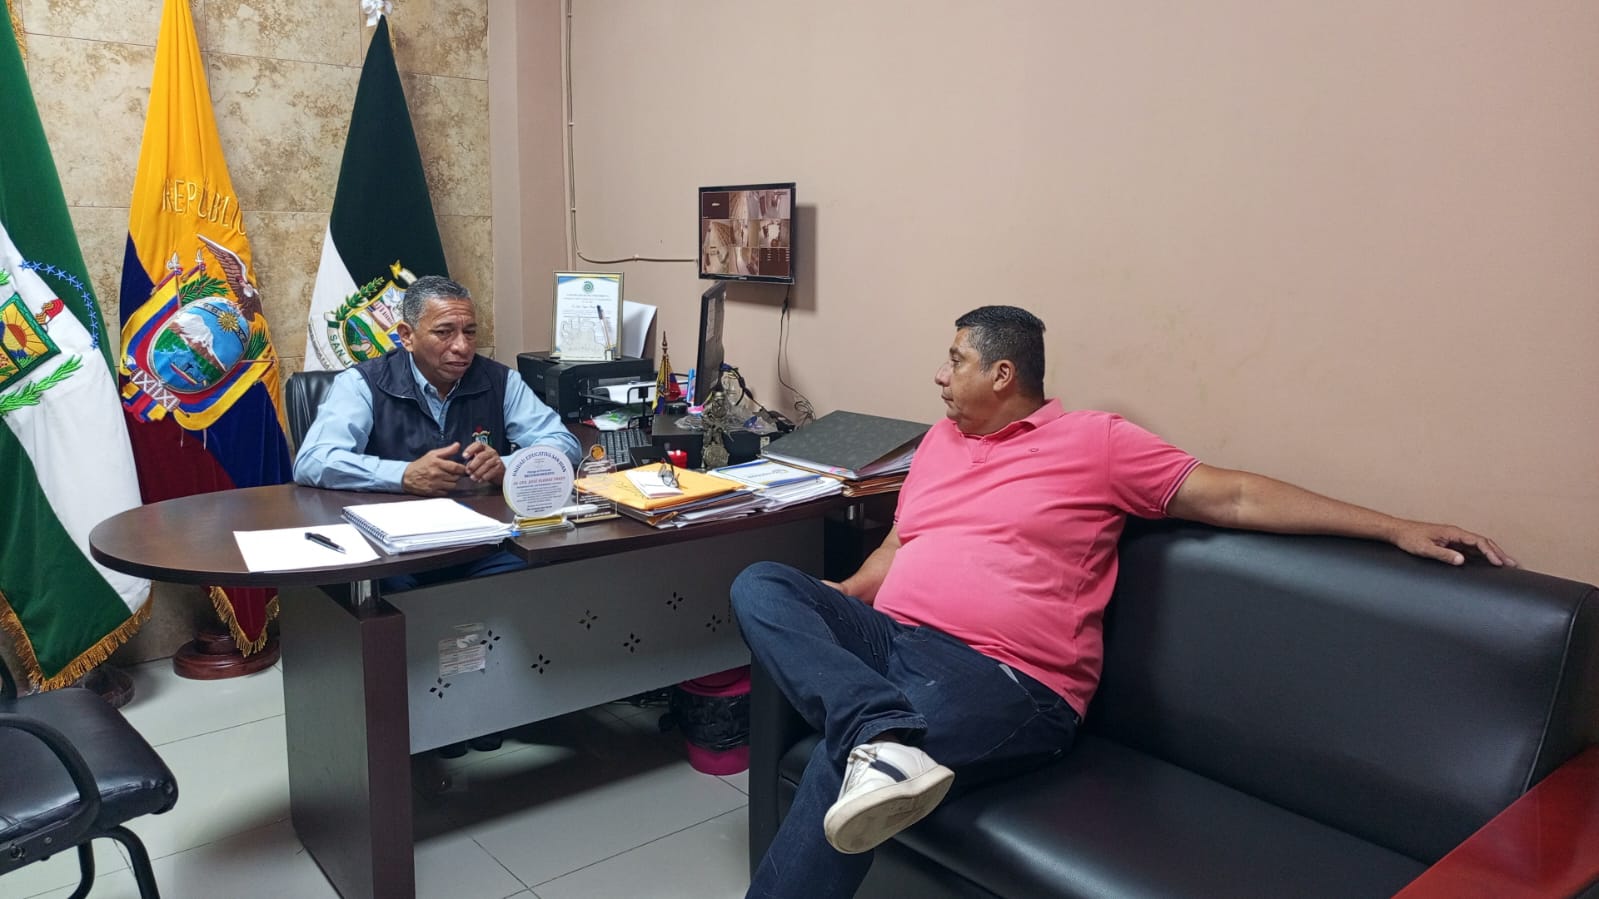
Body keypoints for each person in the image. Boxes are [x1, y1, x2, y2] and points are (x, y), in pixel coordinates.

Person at [731, 305, 1514, 899]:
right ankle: (874, 721)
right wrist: (843, 599)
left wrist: (1392, 526)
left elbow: (1234, 495)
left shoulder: (1096, 443)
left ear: (1002, 374)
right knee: (761, 583)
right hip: (895, 641)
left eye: (955, 359)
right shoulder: (939, 443)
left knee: (847, 759)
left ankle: (870, 731)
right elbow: (902, 543)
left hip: (1006, 680)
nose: (940, 375)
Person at [293, 274, 581, 590]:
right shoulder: (363, 383)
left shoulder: (499, 381)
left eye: (470, 332)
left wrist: (508, 467)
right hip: (394, 549)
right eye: (444, 333)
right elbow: (313, 460)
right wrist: (403, 476)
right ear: (407, 336)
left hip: (480, 544)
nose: (462, 347)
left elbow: (564, 444)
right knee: (388, 589)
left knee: (544, 566)